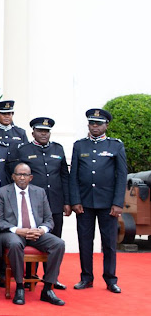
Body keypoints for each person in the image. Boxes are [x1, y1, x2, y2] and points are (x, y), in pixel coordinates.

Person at [70, 108, 127, 294]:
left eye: (99, 123)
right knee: (85, 241)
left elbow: (121, 176)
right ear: (88, 125)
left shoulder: (116, 146)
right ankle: (86, 277)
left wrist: (118, 203)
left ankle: (111, 279)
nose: (95, 126)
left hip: (108, 203)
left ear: (106, 125)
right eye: (92, 123)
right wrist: (75, 200)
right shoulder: (79, 145)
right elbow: (74, 176)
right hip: (84, 203)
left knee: (109, 242)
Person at [0, 163, 65, 306]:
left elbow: (49, 219)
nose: (22, 178)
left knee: (58, 244)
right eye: (19, 174)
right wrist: (18, 230)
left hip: (35, 233)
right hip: (12, 233)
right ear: (13, 176)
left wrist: (41, 230)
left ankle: (48, 288)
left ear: (31, 177)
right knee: (15, 243)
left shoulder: (40, 192)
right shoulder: (2, 192)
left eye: (25, 175)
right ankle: (19, 286)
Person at [11, 116, 70, 290]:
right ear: (33, 132)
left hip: (56, 201)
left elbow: (64, 176)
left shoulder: (58, 149)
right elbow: (16, 176)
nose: (43, 134)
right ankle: (31, 274)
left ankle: (52, 277)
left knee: (55, 239)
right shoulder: (23, 149)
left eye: (46, 131)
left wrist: (67, 201)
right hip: (33, 203)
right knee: (32, 236)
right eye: (40, 131)